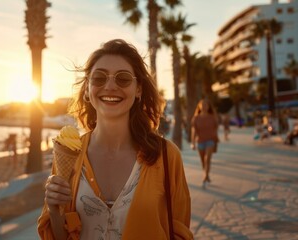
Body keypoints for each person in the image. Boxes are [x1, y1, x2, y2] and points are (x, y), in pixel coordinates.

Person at [37, 39, 193, 239]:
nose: (110, 86)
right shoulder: (70, 152)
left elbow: (180, 232)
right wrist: (53, 208)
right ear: (87, 89)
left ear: (138, 89)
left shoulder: (167, 156)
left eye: (123, 78)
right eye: (99, 78)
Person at [190, 99, 218, 188]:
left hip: (210, 141)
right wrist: (193, 143)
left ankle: (205, 177)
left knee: (207, 159)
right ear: (199, 106)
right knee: (203, 161)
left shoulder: (212, 117)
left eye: (206, 105)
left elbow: (215, 128)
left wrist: (215, 139)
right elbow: (193, 131)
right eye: (202, 104)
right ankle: (207, 174)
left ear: (209, 106)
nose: (204, 106)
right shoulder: (196, 118)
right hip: (200, 142)